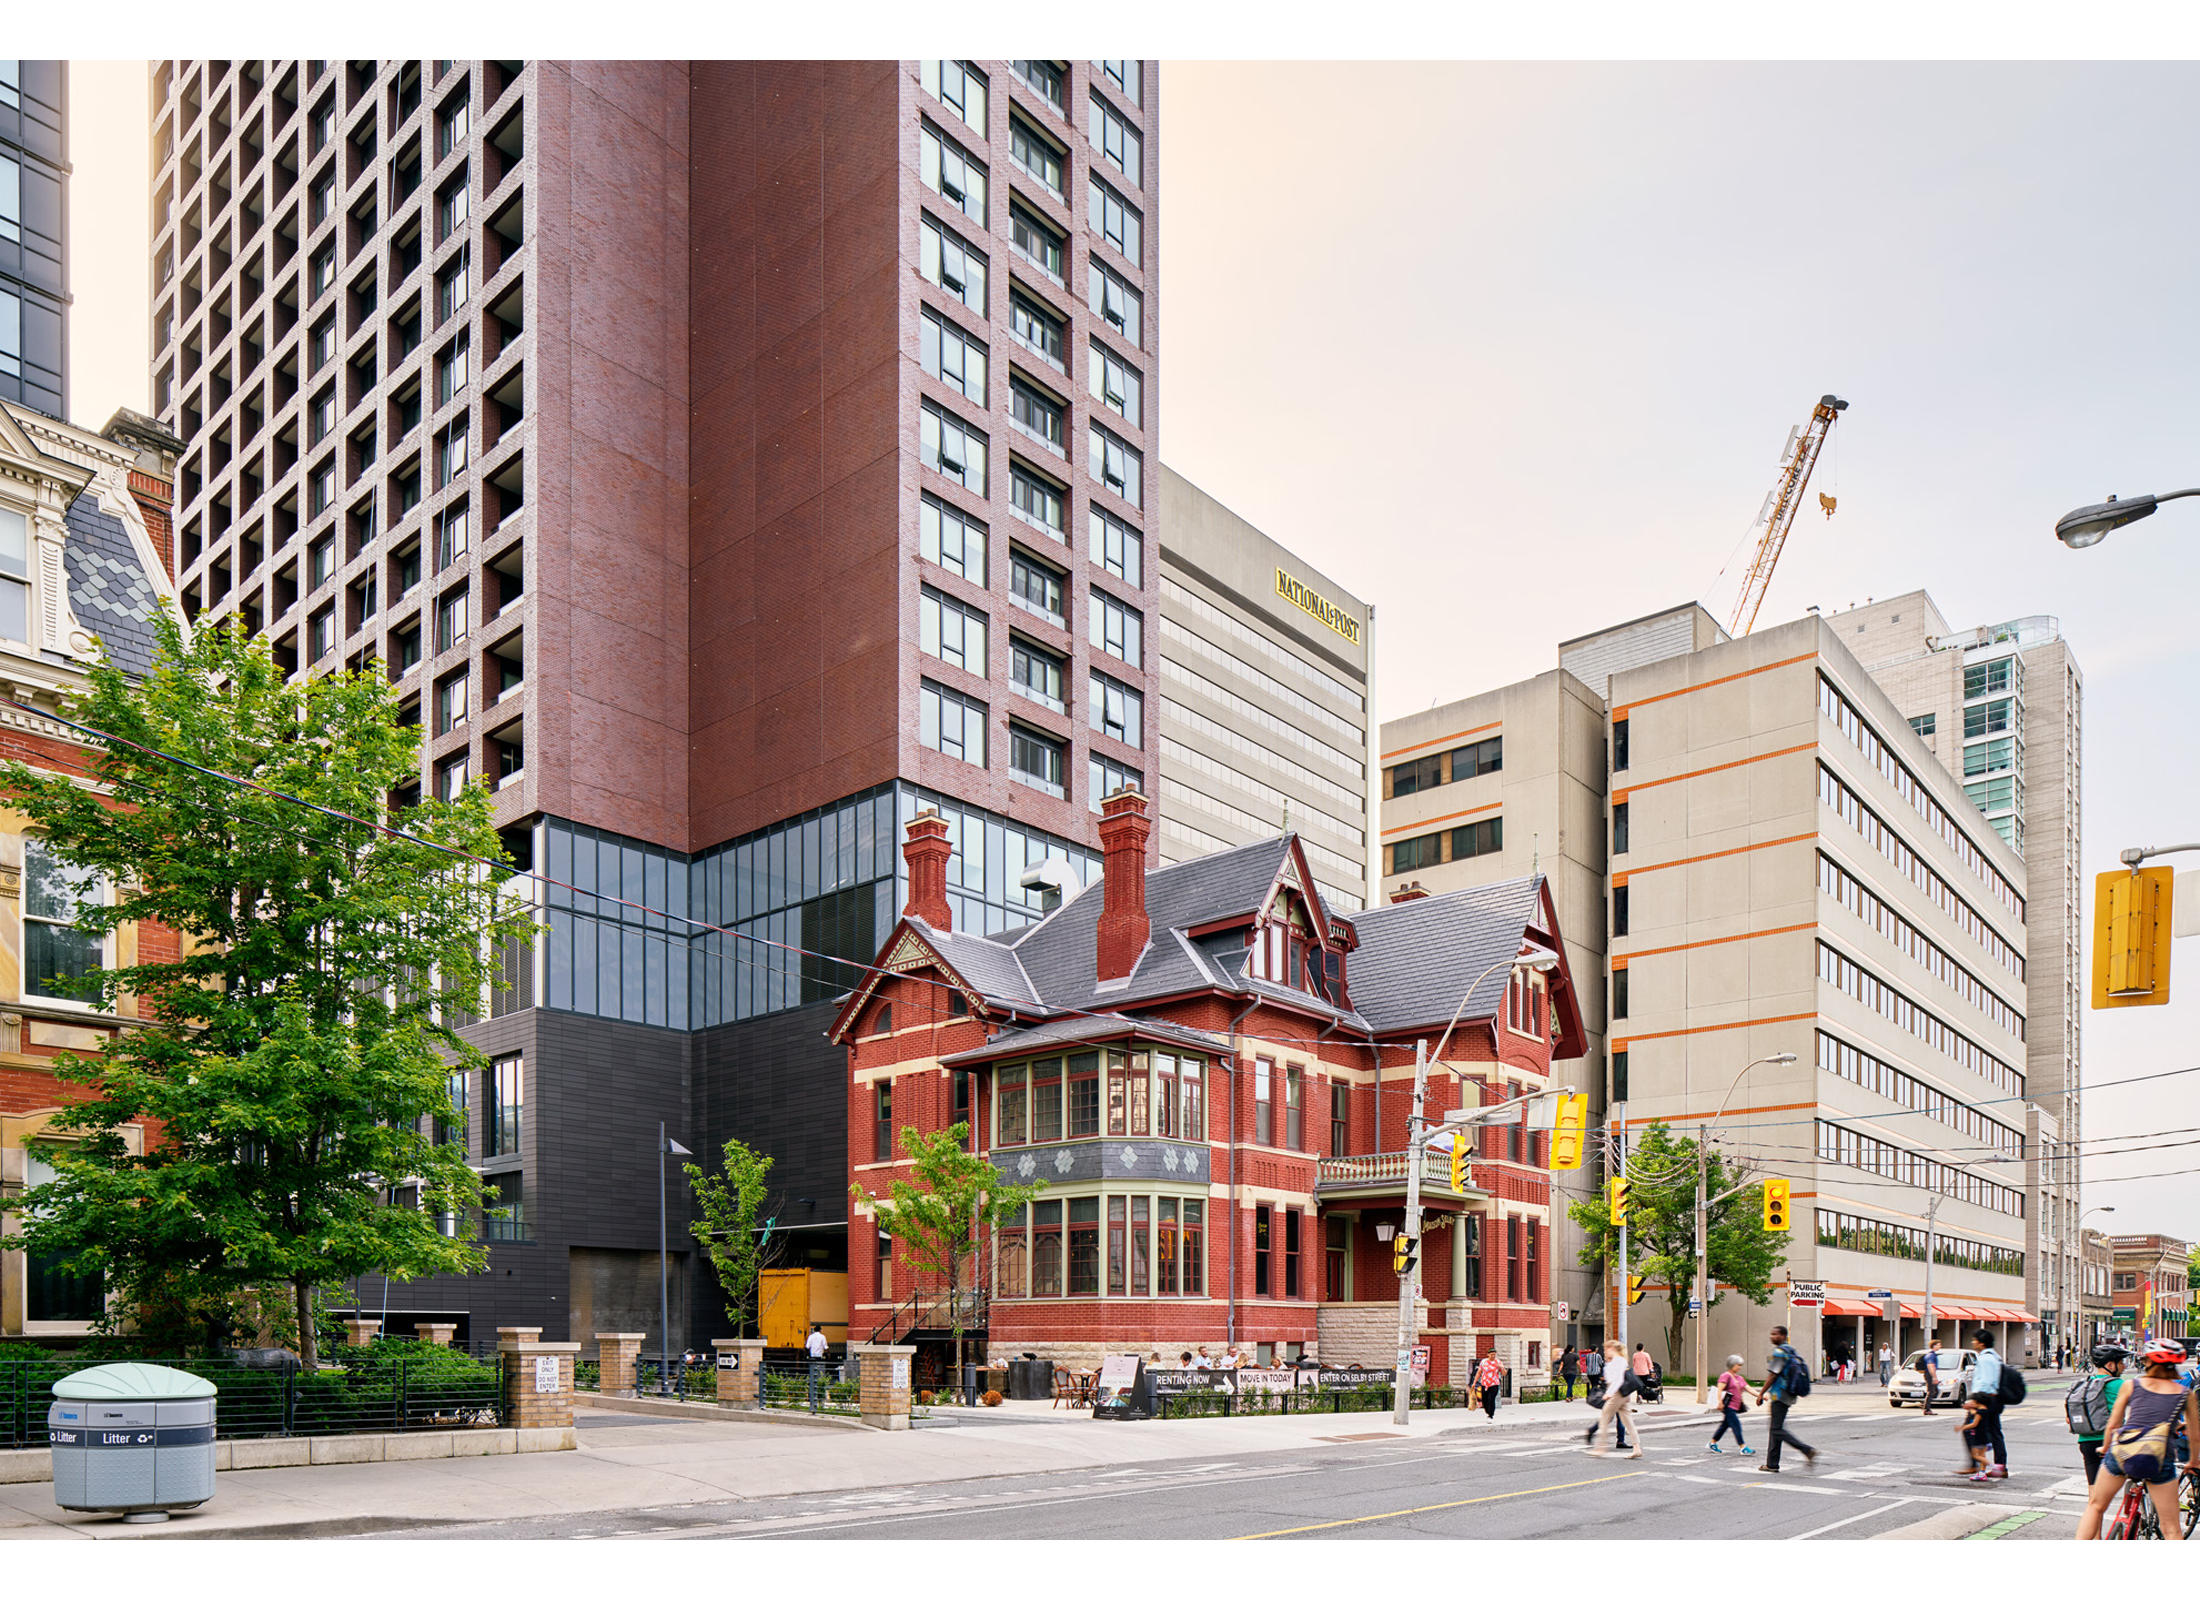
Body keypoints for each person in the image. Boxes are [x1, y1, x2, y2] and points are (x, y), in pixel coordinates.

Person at [2076, 1338, 2200, 1540]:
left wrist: (2106, 1448)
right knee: (2171, 1528)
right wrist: (2193, 1462)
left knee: (2096, 1506)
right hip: (2159, 1459)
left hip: (2123, 1453)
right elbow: (2194, 1436)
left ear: (2148, 1362)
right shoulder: (2185, 1394)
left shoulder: (2131, 1385)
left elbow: (2114, 1423)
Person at [1754, 1324, 1817, 1473]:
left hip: (1780, 1394)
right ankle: (1772, 1464)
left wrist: (1761, 1393)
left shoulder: (1780, 1352)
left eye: (1775, 1334)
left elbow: (1773, 1374)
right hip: (1789, 1393)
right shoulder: (1791, 1350)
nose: (1772, 1336)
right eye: (1771, 1334)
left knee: (1776, 1429)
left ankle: (1807, 1450)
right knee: (1775, 1428)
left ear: (1783, 1336)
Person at [2073, 1345, 2129, 1486]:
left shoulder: (2082, 1384)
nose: (2124, 1367)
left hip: (2086, 1442)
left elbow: (2069, 1418)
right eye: (2121, 1363)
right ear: (2110, 1365)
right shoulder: (2120, 1384)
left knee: (2095, 1489)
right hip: (2111, 1442)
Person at [1585, 1339, 1644, 1459]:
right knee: (1628, 1421)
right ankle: (1637, 1448)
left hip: (1617, 1393)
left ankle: (1600, 1447)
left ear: (1612, 1348)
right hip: (1620, 1393)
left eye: (1606, 1349)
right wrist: (1607, 1362)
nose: (1605, 1352)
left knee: (1605, 1418)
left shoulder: (1619, 1361)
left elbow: (1618, 1380)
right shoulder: (1615, 1361)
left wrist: (1609, 1393)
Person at [1965, 1329, 2009, 1481]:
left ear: (1982, 1342)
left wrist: (1975, 1401)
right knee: (1994, 1433)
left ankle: (1980, 1465)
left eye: (1975, 1340)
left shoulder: (1986, 1359)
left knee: (1974, 1431)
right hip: (1992, 1399)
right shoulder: (1993, 1357)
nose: (1973, 1342)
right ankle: (1998, 1466)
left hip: (1986, 1400)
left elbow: (1986, 1381)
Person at [1708, 1355, 1753, 1455]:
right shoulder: (1725, 1376)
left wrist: (1761, 1396)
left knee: (1725, 1425)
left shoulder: (1739, 1378)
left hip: (1735, 1406)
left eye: (1740, 1365)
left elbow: (1748, 1388)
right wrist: (1719, 1401)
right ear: (1732, 1365)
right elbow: (1719, 1389)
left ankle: (1712, 1443)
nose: (1739, 1367)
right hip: (1728, 1406)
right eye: (1738, 1365)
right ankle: (1743, 1447)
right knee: (1736, 1425)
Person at [804, 1324, 830, 1412]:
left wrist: (807, 1355)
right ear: (820, 1330)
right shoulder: (822, 1337)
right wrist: (827, 1354)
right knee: (820, 1375)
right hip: (819, 1357)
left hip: (812, 1357)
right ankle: (820, 1395)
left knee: (812, 1375)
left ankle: (810, 1395)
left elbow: (807, 1347)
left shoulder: (810, 1337)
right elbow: (826, 1347)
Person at [1475, 1352, 1505, 1422]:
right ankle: (1488, 1411)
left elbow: (1504, 1373)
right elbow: (1479, 1372)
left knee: (1491, 1399)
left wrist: (1502, 1368)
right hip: (1484, 1383)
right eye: (1492, 1354)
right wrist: (1474, 1382)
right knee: (1485, 1400)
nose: (1493, 1356)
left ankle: (1490, 1415)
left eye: (1494, 1354)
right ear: (1488, 1354)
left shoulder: (1498, 1362)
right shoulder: (1483, 1362)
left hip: (1494, 1383)